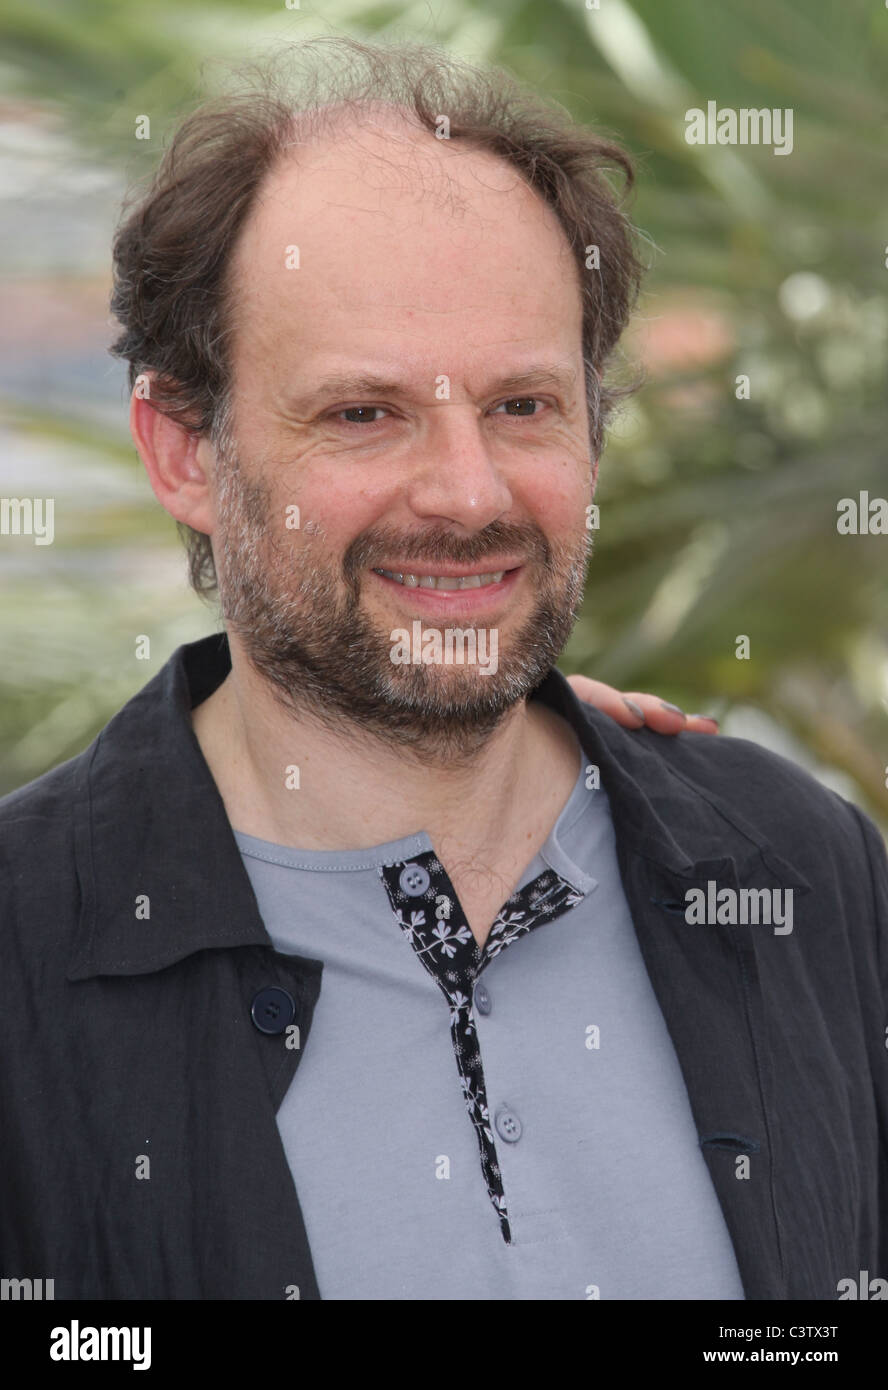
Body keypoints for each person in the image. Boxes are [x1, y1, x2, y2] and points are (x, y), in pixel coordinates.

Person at [1, 36, 884, 1303]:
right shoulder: (26, 952)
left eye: (524, 405)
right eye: (365, 413)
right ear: (187, 452)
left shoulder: (802, 870)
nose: (468, 494)